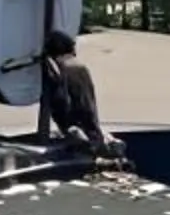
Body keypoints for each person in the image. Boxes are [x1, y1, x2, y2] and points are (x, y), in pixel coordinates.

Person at [40, 29, 117, 159]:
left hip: (79, 128)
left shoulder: (66, 68)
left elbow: (70, 103)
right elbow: (87, 104)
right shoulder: (75, 67)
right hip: (86, 127)